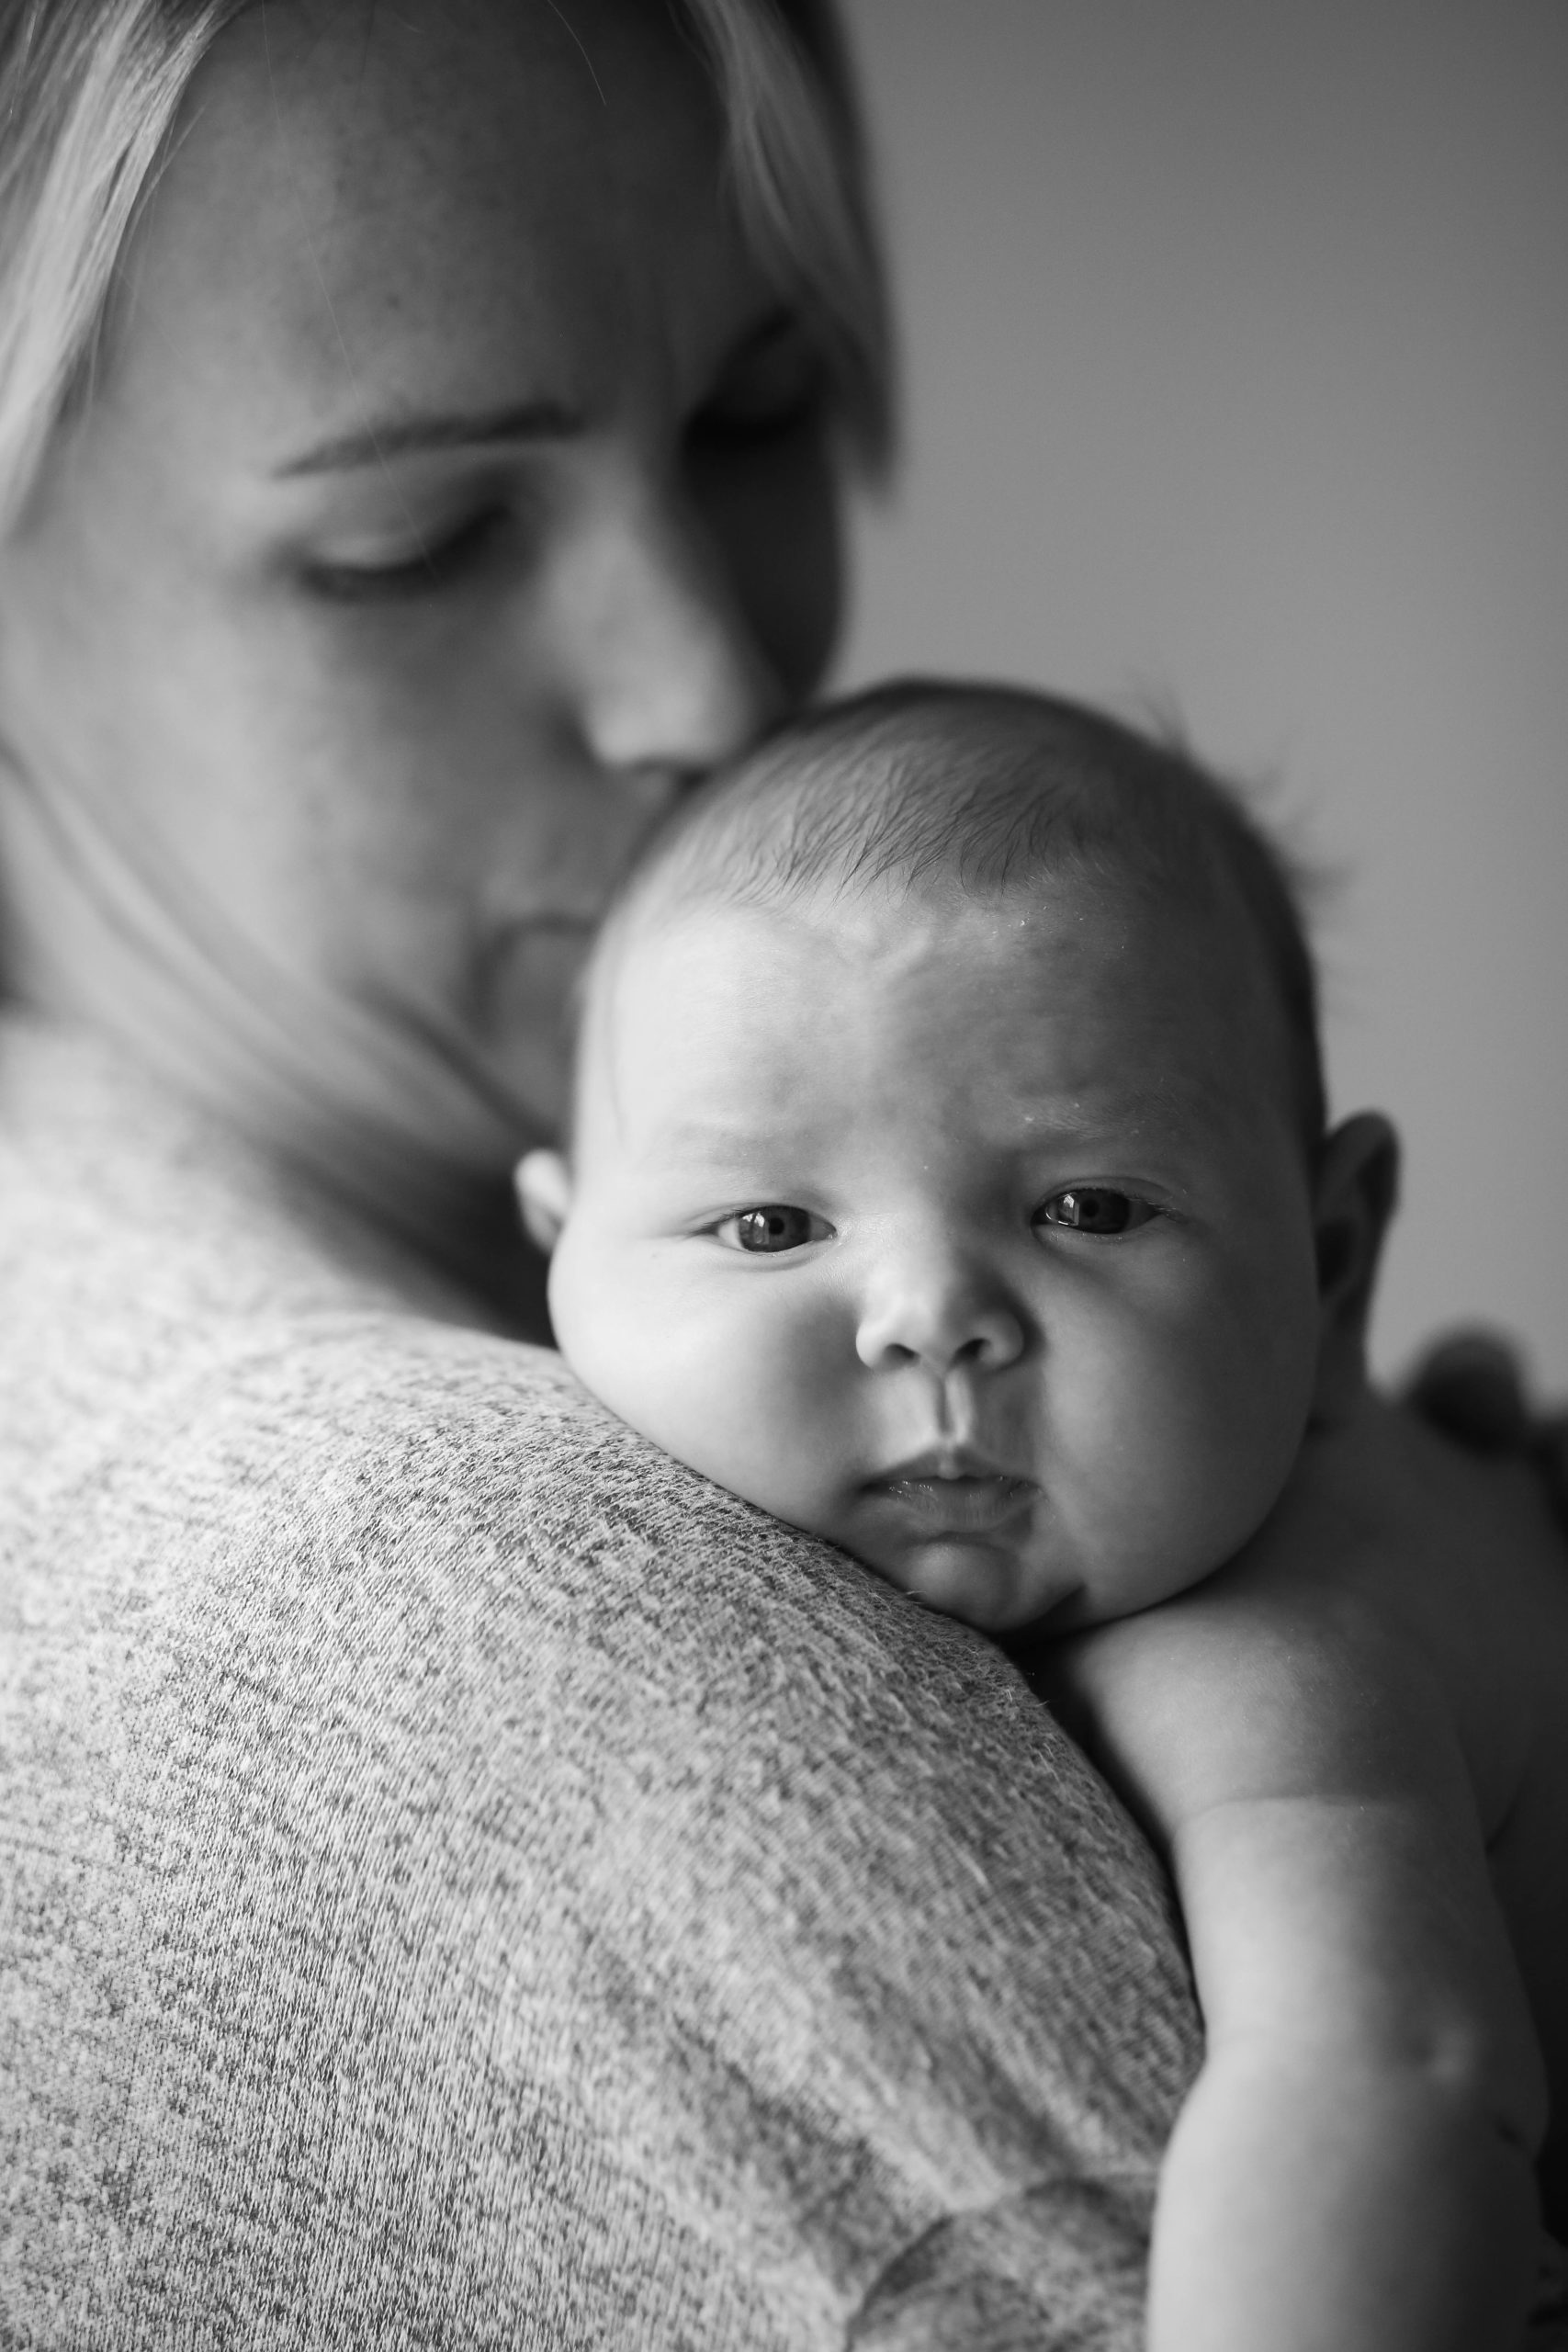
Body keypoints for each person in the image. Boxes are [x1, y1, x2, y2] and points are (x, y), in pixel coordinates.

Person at [1, 3, 1562, 2343]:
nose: (718, 689)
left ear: (1328, 1253)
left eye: (751, 419)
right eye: (416, 538)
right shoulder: (478, 1604)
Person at [519, 679, 1568, 2352]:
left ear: (1334, 1263)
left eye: (1087, 1208)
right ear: (556, 1265)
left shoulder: (1273, 1661)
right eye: (771, 1225)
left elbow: (1388, 2083)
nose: (931, 1317)